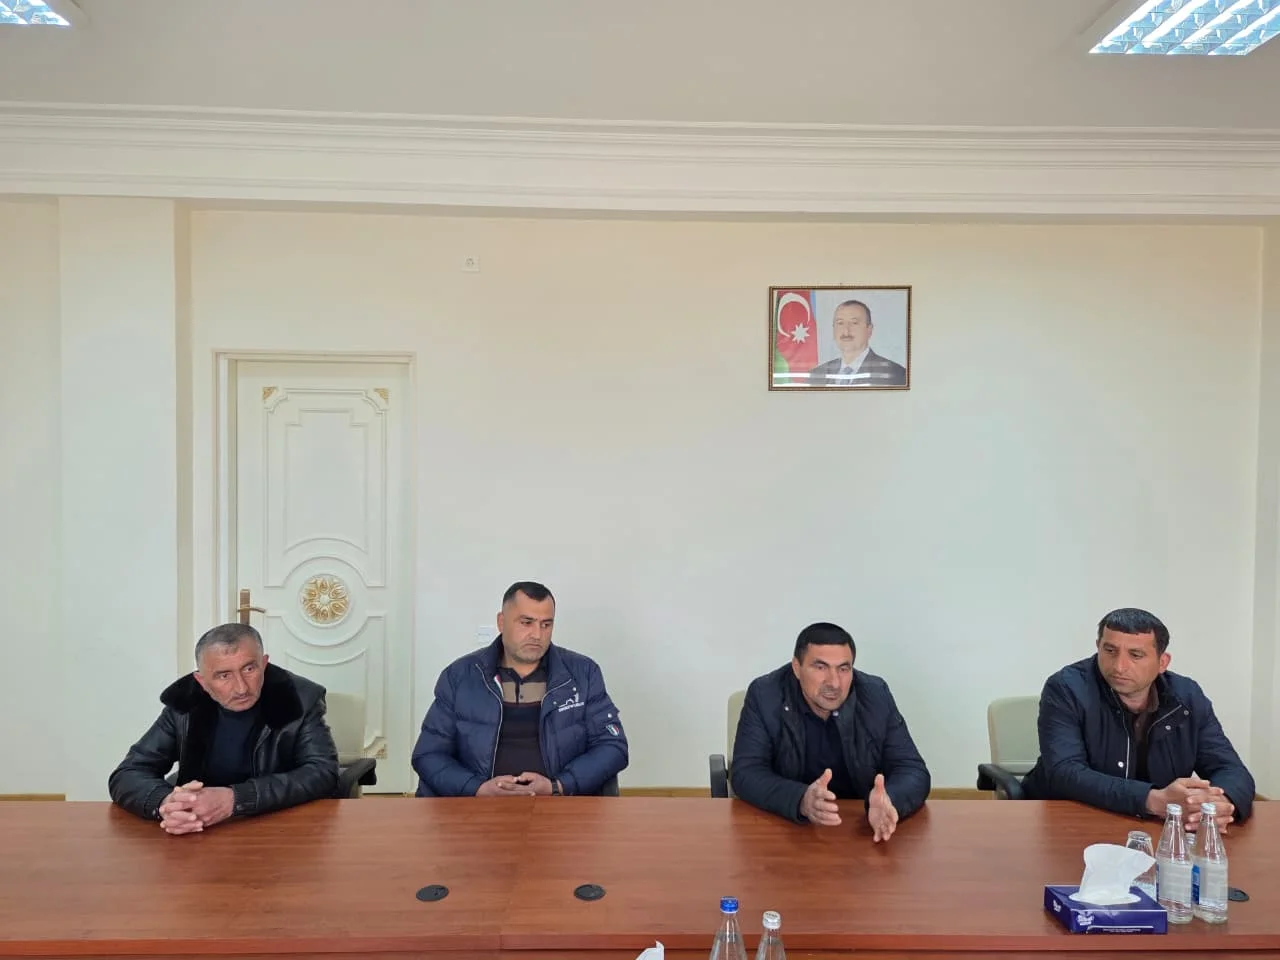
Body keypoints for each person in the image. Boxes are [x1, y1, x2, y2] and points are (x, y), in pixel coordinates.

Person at [1020, 607, 1254, 829]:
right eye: (1109, 650)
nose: (1119, 666)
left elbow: (1231, 769)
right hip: (1069, 819)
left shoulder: (1187, 696)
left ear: (1162, 662)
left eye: (1136, 655)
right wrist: (1152, 800)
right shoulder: (1066, 688)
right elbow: (1064, 772)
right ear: (1098, 646)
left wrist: (1219, 805)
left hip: (1152, 826)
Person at [108, 623, 340, 834]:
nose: (241, 688)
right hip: (203, 829)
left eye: (249, 669)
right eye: (223, 675)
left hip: (279, 825)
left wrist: (236, 799)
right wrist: (166, 803)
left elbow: (322, 772)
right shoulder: (184, 703)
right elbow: (129, 773)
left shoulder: (300, 698)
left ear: (264, 664)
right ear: (202, 681)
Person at [412, 581, 628, 797]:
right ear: (501, 622)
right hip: (479, 806)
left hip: (561, 804)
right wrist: (477, 789)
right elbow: (429, 755)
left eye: (546, 624)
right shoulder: (460, 676)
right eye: (526, 623)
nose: (537, 634)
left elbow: (612, 746)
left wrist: (557, 786)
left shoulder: (583, 673)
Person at [730, 622, 930, 841]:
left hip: (860, 828)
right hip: (789, 827)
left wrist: (890, 800)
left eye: (843, 669)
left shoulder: (875, 694)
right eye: (820, 667)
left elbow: (911, 769)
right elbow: (746, 771)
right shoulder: (765, 695)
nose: (834, 683)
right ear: (796, 668)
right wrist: (800, 799)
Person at [808, 300, 907, 387]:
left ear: (869, 329)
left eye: (854, 323)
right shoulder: (817, 375)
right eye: (840, 323)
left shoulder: (894, 375)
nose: (846, 331)